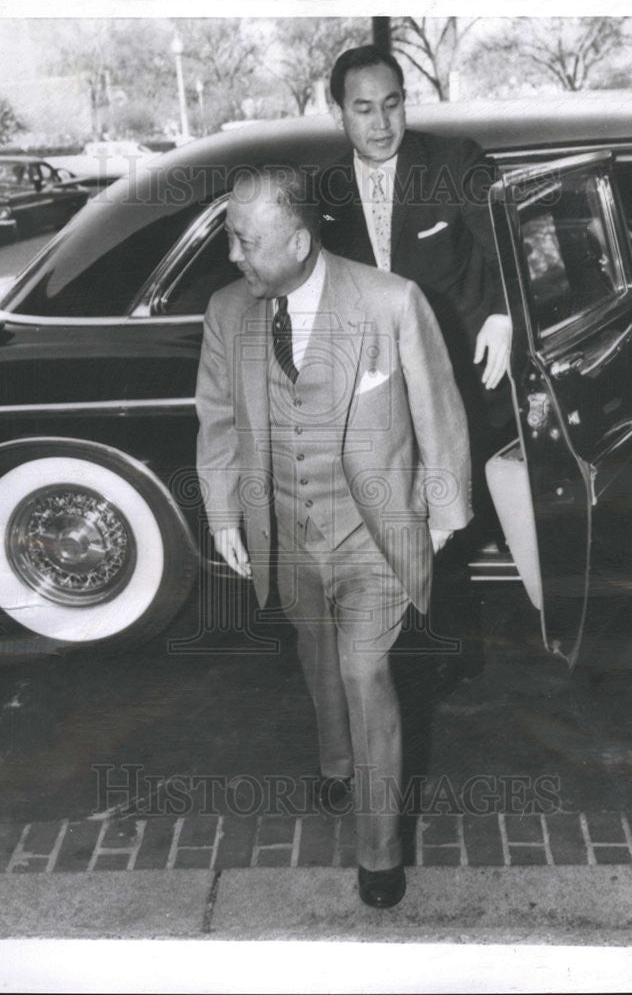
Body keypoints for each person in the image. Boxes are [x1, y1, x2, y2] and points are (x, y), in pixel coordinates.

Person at [195, 167, 471, 907]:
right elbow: (218, 421)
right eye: (231, 237)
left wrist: (441, 511)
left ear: (297, 239)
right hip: (282, 531)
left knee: (363, 673)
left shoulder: (389, 301)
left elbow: (439, 410)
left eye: (245, 241)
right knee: (314, 652)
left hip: (370, 535)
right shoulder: (228, 313)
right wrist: (225, 514)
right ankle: (334, 760)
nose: (233, 255)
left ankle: (378, 853)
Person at [318, 43, 514, 674]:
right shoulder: (323, 191)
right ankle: (410, 652)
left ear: (407, 102)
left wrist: (504, 315)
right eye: (364, 109)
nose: (381, 124)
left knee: (448, 513)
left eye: (393, 105)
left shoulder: (455, 162)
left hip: (456, 376)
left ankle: (451, 655)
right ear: (339, 113)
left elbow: (507, 246)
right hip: (371, 388)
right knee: (391, 518)